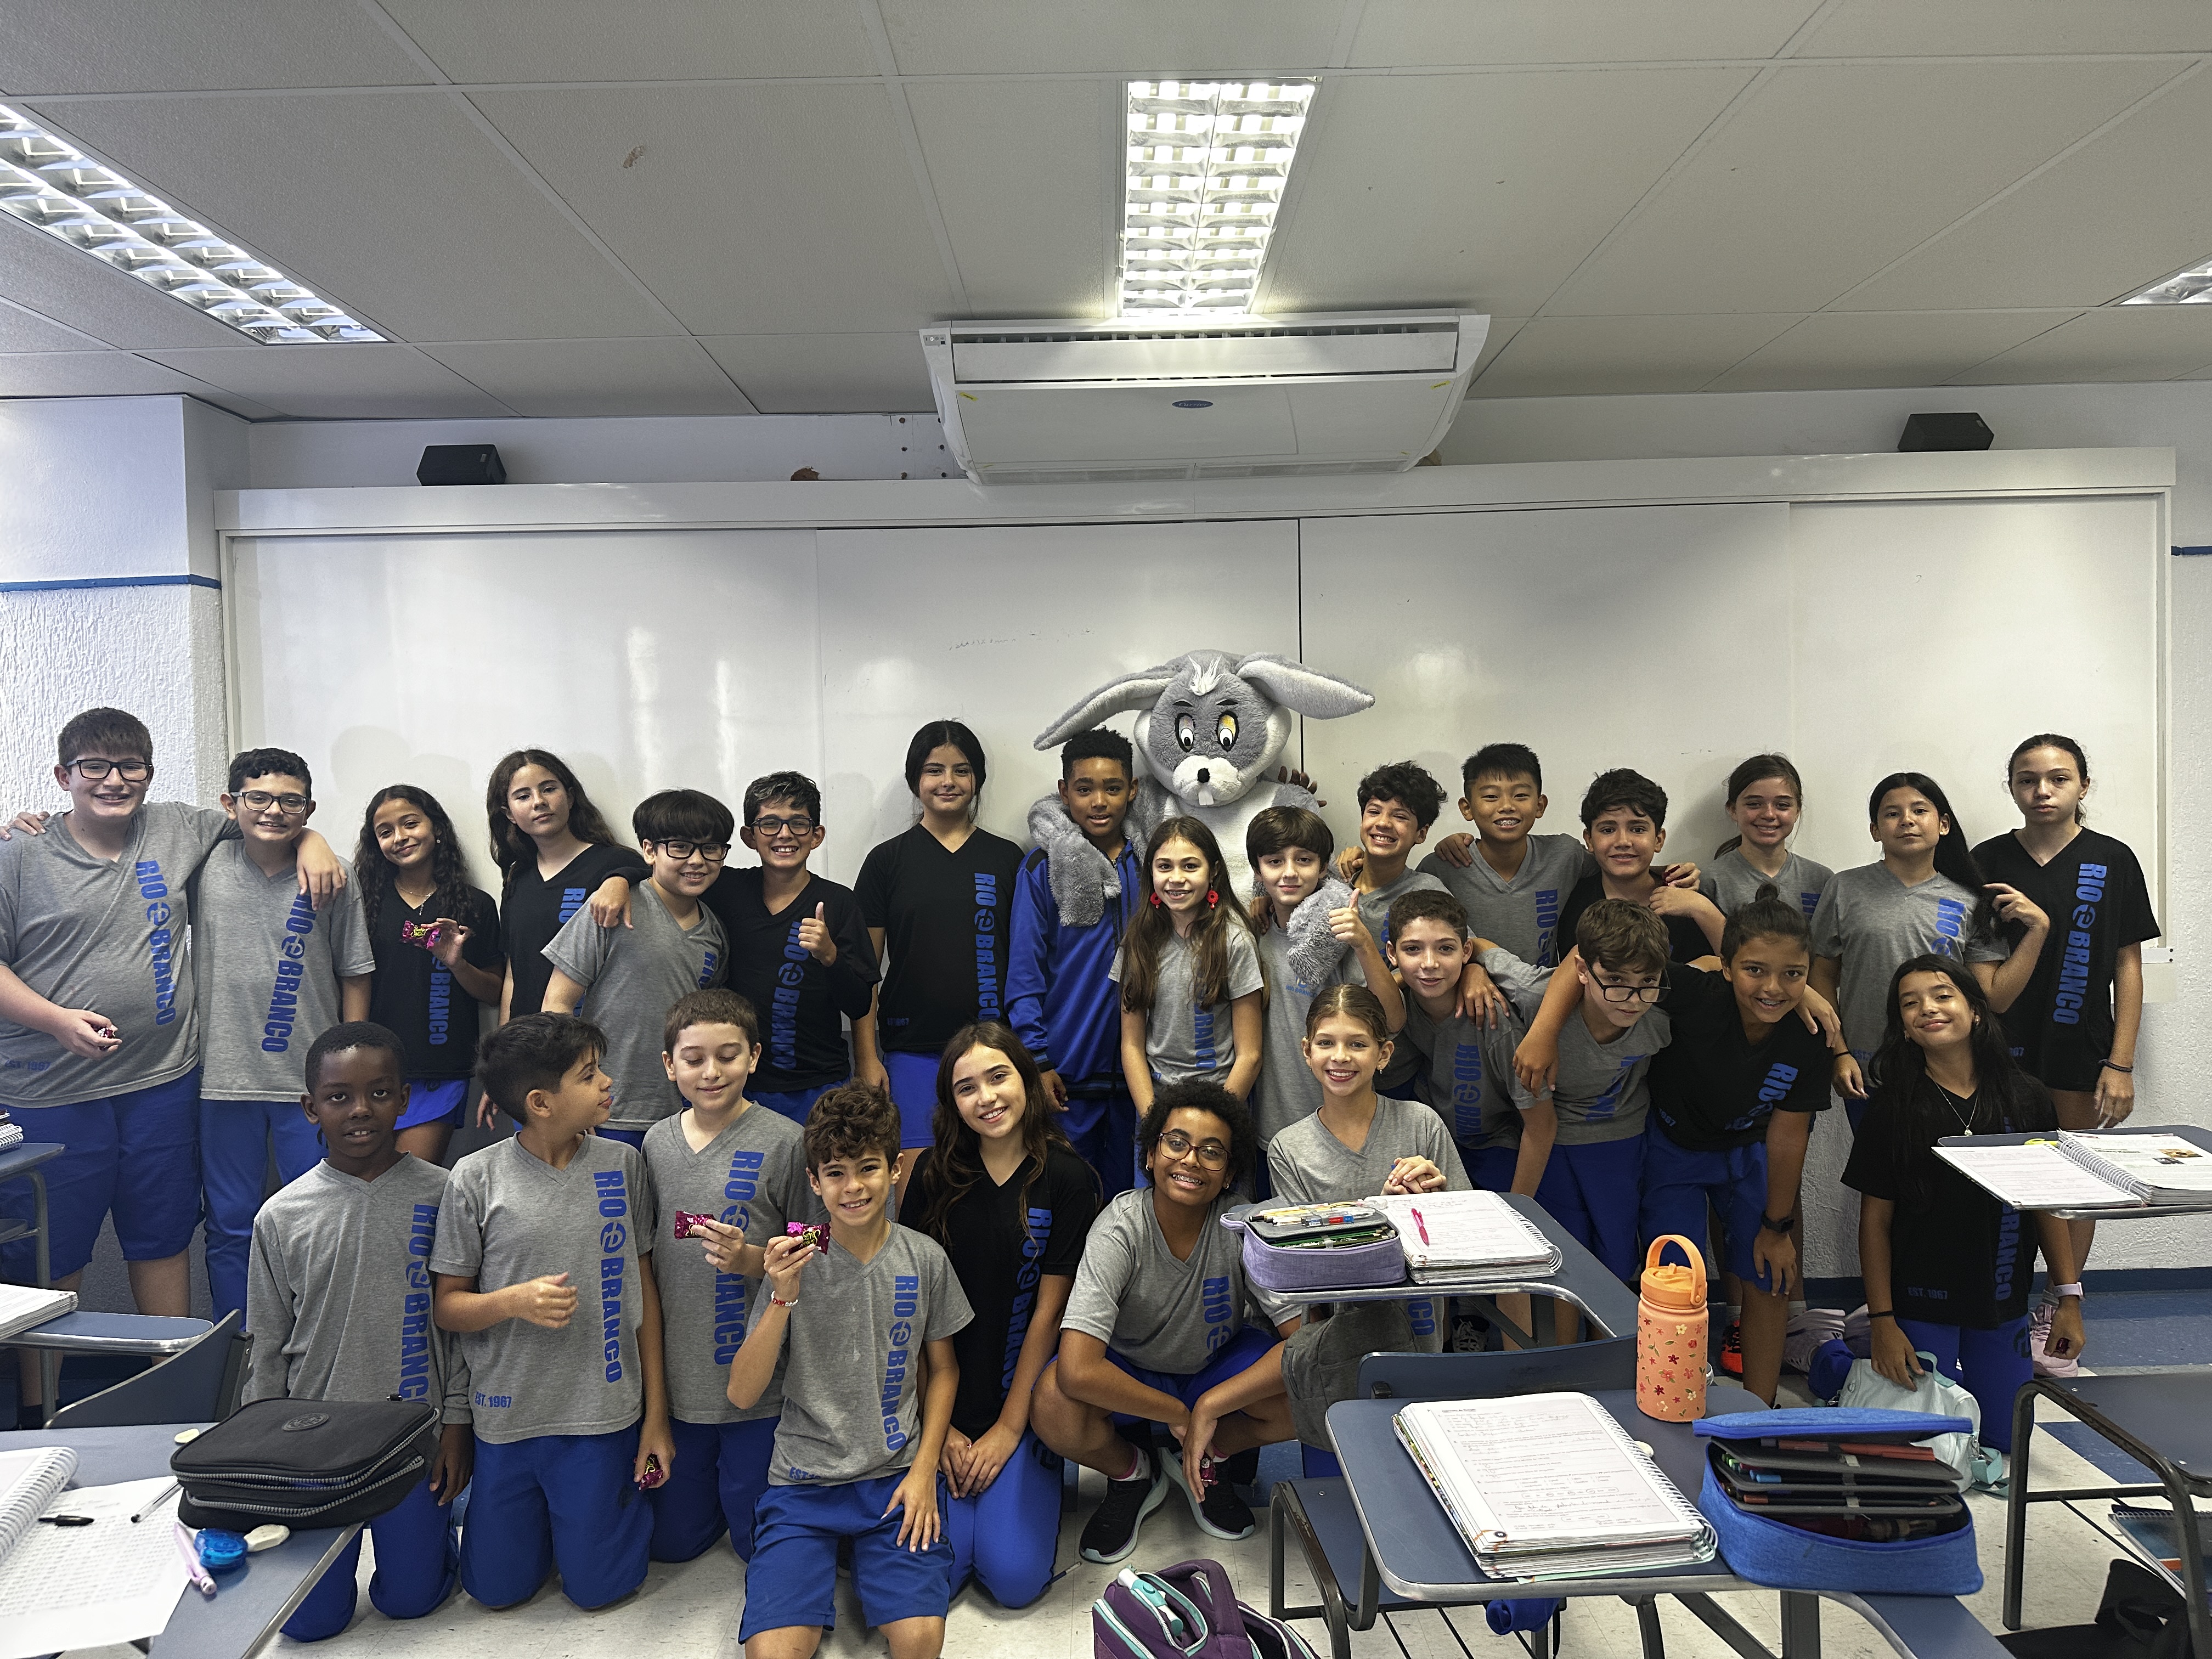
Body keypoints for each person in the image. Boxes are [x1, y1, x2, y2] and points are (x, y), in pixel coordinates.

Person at [0, 708, 342, 1421]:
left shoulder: (180, 828)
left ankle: (177, 1405)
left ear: (150, 775)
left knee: (162, 1240)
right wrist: (55, 1020)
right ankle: (40, 1413)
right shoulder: (19, 853)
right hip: (52, 1091)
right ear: (63, 776)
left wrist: (314, 840)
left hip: (163, 1083)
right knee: (54, 1259)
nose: (114, 780)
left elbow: (265, 817)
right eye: (94, 767)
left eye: (131, 766)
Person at [430, 1013, 673, 1611]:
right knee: (495, 1591)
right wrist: (513, 1301)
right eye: (589, 1075)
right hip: (508, 1420)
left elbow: (644, 1290)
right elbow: (448, 1307)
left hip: (602, 1418)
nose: (608, 1082)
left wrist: (656, 1418)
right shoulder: (475, 1178)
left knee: (598, 1591)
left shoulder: (624, 1164)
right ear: (540, 1103)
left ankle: (591, 1523)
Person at [726, 1084, 972, 1659]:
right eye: (835, 1173)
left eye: (868, 1168)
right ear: (814, 1182)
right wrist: (782, 1296)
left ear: (896, 1169)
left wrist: (924, 1473)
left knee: (919, 1642)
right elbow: (742, 1394)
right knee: (773, 1653)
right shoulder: (793, 1261)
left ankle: (867, 1559)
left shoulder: (924, 1259)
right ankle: (824, 1558)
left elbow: (944, 1372)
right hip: (803, 1483)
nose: (853, 1186)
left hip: (895, 1476)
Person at [245, 1022, 470, 1641]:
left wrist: (456, 1427)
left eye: (379, 1092)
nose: (361, 1110)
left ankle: (439, 1544)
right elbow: (267, 1345)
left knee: (411, 1602)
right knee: (310, 1624)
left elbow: (461, 1334)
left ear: (405, 1099)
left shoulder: (447, 1195)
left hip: (414, 1439)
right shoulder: (280, 1216)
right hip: (314, 1446)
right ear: (310, 1108)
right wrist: (263, 1454)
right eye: (339, 1097)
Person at [1032, 1080, 1300, 1562]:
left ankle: (1210, 1455)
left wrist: (1210, 1407)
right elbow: (1077, 1368)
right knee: (1053, 1401)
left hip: (1214, 1367)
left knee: (1309, 1390)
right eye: (1177, 1143)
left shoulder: (1243, 1225)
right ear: (1151, 1155)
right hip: (1132, 1372)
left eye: (1212, 1152)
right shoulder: (1119, 1227)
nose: (1191, 1160)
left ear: (1229, 1173)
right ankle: (1133, 1472)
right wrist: (1179, 1414)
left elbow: (1302, 1343)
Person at [1972, 734, 2159, 1368]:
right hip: (1999, 1047)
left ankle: (2061, 1303)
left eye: (2057, 778)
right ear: (2012, 788)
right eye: (2028, 779)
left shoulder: (2113, 859)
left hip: (2081, 1046)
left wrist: (2121, 1062)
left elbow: (2128, 966)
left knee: (2075, 1181)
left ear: (2083, 785)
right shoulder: (1987, 860)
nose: (2042, 791)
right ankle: (1996, 1306)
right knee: (2008, 1179)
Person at [1844, 957, 2085, 1445]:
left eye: (1942, 995)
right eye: (1910, 1003)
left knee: (2007, 1441)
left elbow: (2046, 1205)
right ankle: (1838, 1359)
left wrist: (2068, 1299)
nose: (1928, 1009)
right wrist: (1884, 1322)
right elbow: (1875, 1223)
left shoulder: (2027, 1097)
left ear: (1976, 1011)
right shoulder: (1891, 1108)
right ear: (1904, 1029)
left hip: (2001, 1296)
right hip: (1921, 1301)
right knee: (1929, 1446)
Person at [899, 1023, 1097, 1608]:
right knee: (936, 1576)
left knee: (1013, 1579)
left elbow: (1050, 1313)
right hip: (942, 1402)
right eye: (966, 1088)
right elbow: (910, 1308)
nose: (985, 1098)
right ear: (951, 1102)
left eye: (998, 1077)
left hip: (1022, 1403)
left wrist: (1010, 1429)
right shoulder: (931, 1175)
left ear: (1026, 1080)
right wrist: (939, 1430)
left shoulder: (1068, 1178)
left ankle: (1026, 1482)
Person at [1639, 886, 1844, 1403]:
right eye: (1755, 970)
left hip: (1750, 1150)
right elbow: (1601, 963)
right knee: (1675, 1278)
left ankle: (1760, 1410)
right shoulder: (1698, 992)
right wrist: (1543, 1034)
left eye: (1793, 974)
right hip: (1675, 1148)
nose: (1773, 988)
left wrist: (1778, 1228)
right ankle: (1676, 1404)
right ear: (1727, 968)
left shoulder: (1812, 1032)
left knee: (1771, 1274)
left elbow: (1788, 1135)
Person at [194, 748, 375, 1320]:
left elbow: (354, 971)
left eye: (291, 802)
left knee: (321, 1217)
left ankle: (316, 1342)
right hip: (224, 1081)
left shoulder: (333, 873)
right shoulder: (203, 866)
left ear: (309, 809)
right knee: (230, 1224)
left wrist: (348, 1069)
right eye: (259, 798)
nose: (274, 811)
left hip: (311, 1084)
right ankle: (241, 1346)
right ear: (231, 804)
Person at [640, 988, 817, 1563]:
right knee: (672, 1545)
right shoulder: (655, 1145)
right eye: (694, 1059)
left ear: (755, 1057)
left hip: (758, 1392)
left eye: (728, 1056)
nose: (711, 1072)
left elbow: (818, 1246)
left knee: (756, 1545)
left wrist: (752, 1259)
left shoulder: (787, 1142)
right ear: (670, 1065)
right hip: (680, 1387)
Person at [1268, 985, 1465, 1465]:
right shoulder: (1288, 1149)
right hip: (1336, 1345)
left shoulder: (1422, 1124)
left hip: (1419, 1331)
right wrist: (1383, 1217)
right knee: (1340, 1471)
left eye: (1357, 1043)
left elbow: (1466, 1237)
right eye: (1327, 1043)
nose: (1341, 1056)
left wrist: (1438, 1204)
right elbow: (1304, 1265)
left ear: (1384, 1055)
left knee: (1421, 1465)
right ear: (1307, 1052)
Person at [1811, 772, 2048, 1102]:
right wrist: (1840, 1052)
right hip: (1868, 1068)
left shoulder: (1970, 901)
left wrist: (2039, 930)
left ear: (1943, 825)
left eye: (1920, 810)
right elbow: (1821, 975)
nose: (1907, 820)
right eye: (1892, 814)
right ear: (1875, 830)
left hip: (1949, 1070)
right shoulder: (1844, 888)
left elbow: (1995, 998)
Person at [855, 721, 1022, 1182]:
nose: (948, 781)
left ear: (977, 779)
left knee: (991, 1182)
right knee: (916, 1185)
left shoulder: (1008, 859)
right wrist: (867, 1056)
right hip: (912, 1051)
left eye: (961, 770)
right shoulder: (886, 861)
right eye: (934, 770)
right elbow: (865, 970)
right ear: (916, 780)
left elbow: (1027, 962)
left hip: (993, 1051)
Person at [1494, 901, 1677, 1287]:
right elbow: (1477, 947)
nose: (1632, 999)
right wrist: (1475, 973)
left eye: (1648, 982)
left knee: (1618, 1257)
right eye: (1615, 981)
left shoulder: (1664, 1011)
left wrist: (1806, 994)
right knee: (1563, 1253)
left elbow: (1720, 970)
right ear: (1582, 970)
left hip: (1621, 1138)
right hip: (1554, 1138)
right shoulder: (1535, 994)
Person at [542, 789, 731, 1144]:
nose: (697, 860)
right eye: (680, 847)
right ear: (649, 850)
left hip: (682, 1114)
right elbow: (557, 1003)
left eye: (711, 849)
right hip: (607, 1109)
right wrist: (573, 1096)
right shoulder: (610, 909)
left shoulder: (715, 933)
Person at [1006, 727, 1147, 1200]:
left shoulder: (1153, 863)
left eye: (1113, 788)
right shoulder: (1042, 868)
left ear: (1133, 790)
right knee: (1065, 1203)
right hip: (1066, 1077)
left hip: (1142, 1076)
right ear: (1064, 793)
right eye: (1085, 789)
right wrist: (1038, 1061)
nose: (1099, 802)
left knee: (1134, 1205)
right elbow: (1024, 975)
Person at [700, 771, 878, 1126]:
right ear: (750, 837)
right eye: (770, 824)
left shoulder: (839, 903)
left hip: (821, 1085)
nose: (784, 834)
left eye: (798, 823)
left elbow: (860, 1003)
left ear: (817, 835)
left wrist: (829, 955)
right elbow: (662, 871)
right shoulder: (725, 889)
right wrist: (617, 882)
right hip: (742, 1084)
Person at [356, 785, 502, 1165]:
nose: (399, 837)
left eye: (410, 824)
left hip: (441, 1067)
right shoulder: (363, 904)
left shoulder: (476, 905)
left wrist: (457, 963)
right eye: (385, 832)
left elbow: (495, 992)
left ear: (436, 829)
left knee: (409, 1182)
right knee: (366, 1181)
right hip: (373, 1070)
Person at [1244, 806, 1403, 1152]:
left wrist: (1363, 943)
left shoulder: (1339, 933)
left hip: (1342, 1125)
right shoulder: (1254, 930)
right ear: (1258, 870)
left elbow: (1393, 1020)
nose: (1290, 873)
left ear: (1323, 867)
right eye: (1275, 862)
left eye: (1304, 860)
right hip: (1273, 1125)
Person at [1385, 890, 1550, 1197]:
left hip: (1498, 1146)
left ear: (1466, 951)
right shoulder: (1400, 1006)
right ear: (1393, 955)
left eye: (1445, 949)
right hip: (1437, 1144)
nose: (1430, 963)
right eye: (1413, 949)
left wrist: (1519, 1208)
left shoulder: (1495, 1020)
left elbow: (1542, 1125)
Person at [1113, 818, 1265, 1113]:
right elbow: (1131, 1046)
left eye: (1190, 866)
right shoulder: (1139, 942)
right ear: (1151, 873)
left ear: (1214, 872)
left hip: (1221, 1103)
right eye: (1164, 867)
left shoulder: (1235, 942)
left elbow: (1251, 1055)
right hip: (1157, 1105)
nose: (1176, 878)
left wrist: (1216, 1119)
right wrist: (1153, 1120)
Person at [483, 748, 645, 1025]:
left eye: (549, 789)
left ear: (570, 797)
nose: (539, 802)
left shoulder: (618, 864)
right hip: (529, 1036)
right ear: (509, 814)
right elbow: (514, 971)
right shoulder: (517, 877)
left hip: (594, 1036)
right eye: (523, 796)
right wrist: (504, 1036)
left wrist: (620, 879)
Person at [1415, 742, 1592, 966]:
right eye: (1491, 796)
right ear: (1467, 809)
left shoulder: (1565, 855)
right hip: (1469, 987)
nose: (1507, 806)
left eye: (1520, 795)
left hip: (1546, 986)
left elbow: (1614, 868)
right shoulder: (1442, 867)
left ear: (1540, 805)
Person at [1554, 769, 1723, 964]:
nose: (1623, 841)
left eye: (1638, 829)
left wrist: (1701, 908)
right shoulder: (1572, 901)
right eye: (1608, 830)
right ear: (1589, 840)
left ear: (1658, 840)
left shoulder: (1688, 902)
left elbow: (1738, 964)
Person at [1701, 754, 1833, 920]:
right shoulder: (1712, 881)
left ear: (1797, 812)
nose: (1769, 814)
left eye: (1782, 805)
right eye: (1754, 804)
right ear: (1733, 810)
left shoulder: (1821, 880)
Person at [1336, 761, 1450, 951]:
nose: (1383, 823)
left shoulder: (1426, 891)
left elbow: (1460, 946)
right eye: (1374, 812)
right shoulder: (1335, 882)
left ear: (1421, 833)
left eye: (1400, 816)